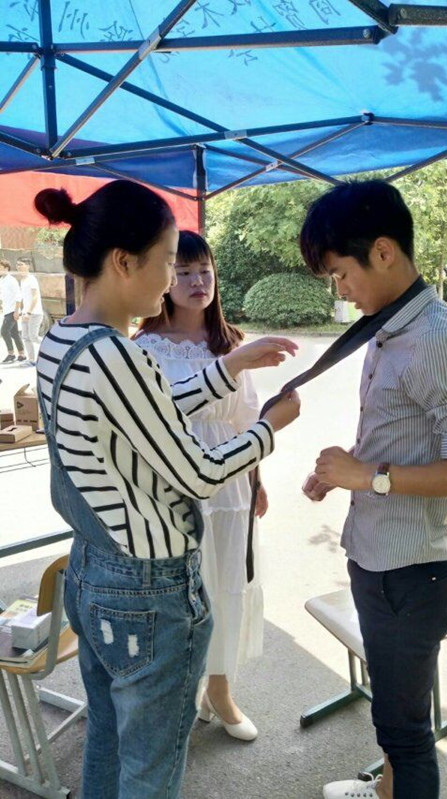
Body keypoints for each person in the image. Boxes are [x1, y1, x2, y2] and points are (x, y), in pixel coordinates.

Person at [34, 179, 300, 799]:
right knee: (151, 769)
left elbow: (145, 413)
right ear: (124, 262)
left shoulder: (63, 340)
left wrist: (229, 365)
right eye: (167, 262)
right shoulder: (117, 356)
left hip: (93, 567)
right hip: (146, 588)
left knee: (109, 739)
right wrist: (267, 430)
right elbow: (198, 472)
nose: (171, 280)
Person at [299, 180, 447, 799]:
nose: (339, 289)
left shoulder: (436, 339)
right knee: (394, 718)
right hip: (379, 559)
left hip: (409, 575)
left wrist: (369, 477)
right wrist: (344, 472)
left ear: (383, 252)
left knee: (406, 735)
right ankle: (385, 790)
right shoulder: (389, 326)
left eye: (341, 273)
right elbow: (401, 435)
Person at [134, 231, 265, 742]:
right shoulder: (142, 348)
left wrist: (257, 481)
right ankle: (179, 692)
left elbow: (249, 420)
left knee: (227, 584)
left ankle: (220, 691)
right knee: (181, 595)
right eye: (183, 271)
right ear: (164, 279)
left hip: (230, 487)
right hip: (172, 489)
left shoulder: (230, 343)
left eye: (205, 270)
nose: (197, 281)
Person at [16, 259, 44, 365]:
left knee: (33, 337)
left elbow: (35, 297)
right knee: (26, 337)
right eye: (17, 265)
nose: (18, 266)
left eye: (21, 264)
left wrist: (29, 312)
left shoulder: (32, 279)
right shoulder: (22, 280)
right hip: (25, 313)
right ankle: (31, 360)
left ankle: (52, 347)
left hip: (34, 313)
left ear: (28, 266)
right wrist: (22, 311)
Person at [0, 259, 25, 363]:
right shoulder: (2, 280)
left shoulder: (11, 280)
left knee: (4, 331)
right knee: (14, 333)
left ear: (6, 268)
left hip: (12, 311)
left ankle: (11, 354)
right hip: (7, 310)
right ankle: (22, 354)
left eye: (0, 268)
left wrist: (16, 311)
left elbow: (18, 296)